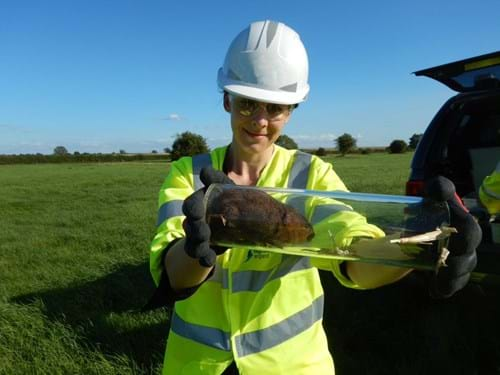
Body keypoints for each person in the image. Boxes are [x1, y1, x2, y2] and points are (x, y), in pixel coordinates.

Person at [149, 20, 480, 374]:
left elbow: (353, 253)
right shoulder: (189, 172)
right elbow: (172, 277)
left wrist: (418, 247)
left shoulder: (312, 176)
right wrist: (201, 248)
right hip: (196, 366)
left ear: (291, 110)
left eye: (275, 108)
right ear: (227, 100)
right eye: (248, 103)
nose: (260, 120)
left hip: (292, 366)